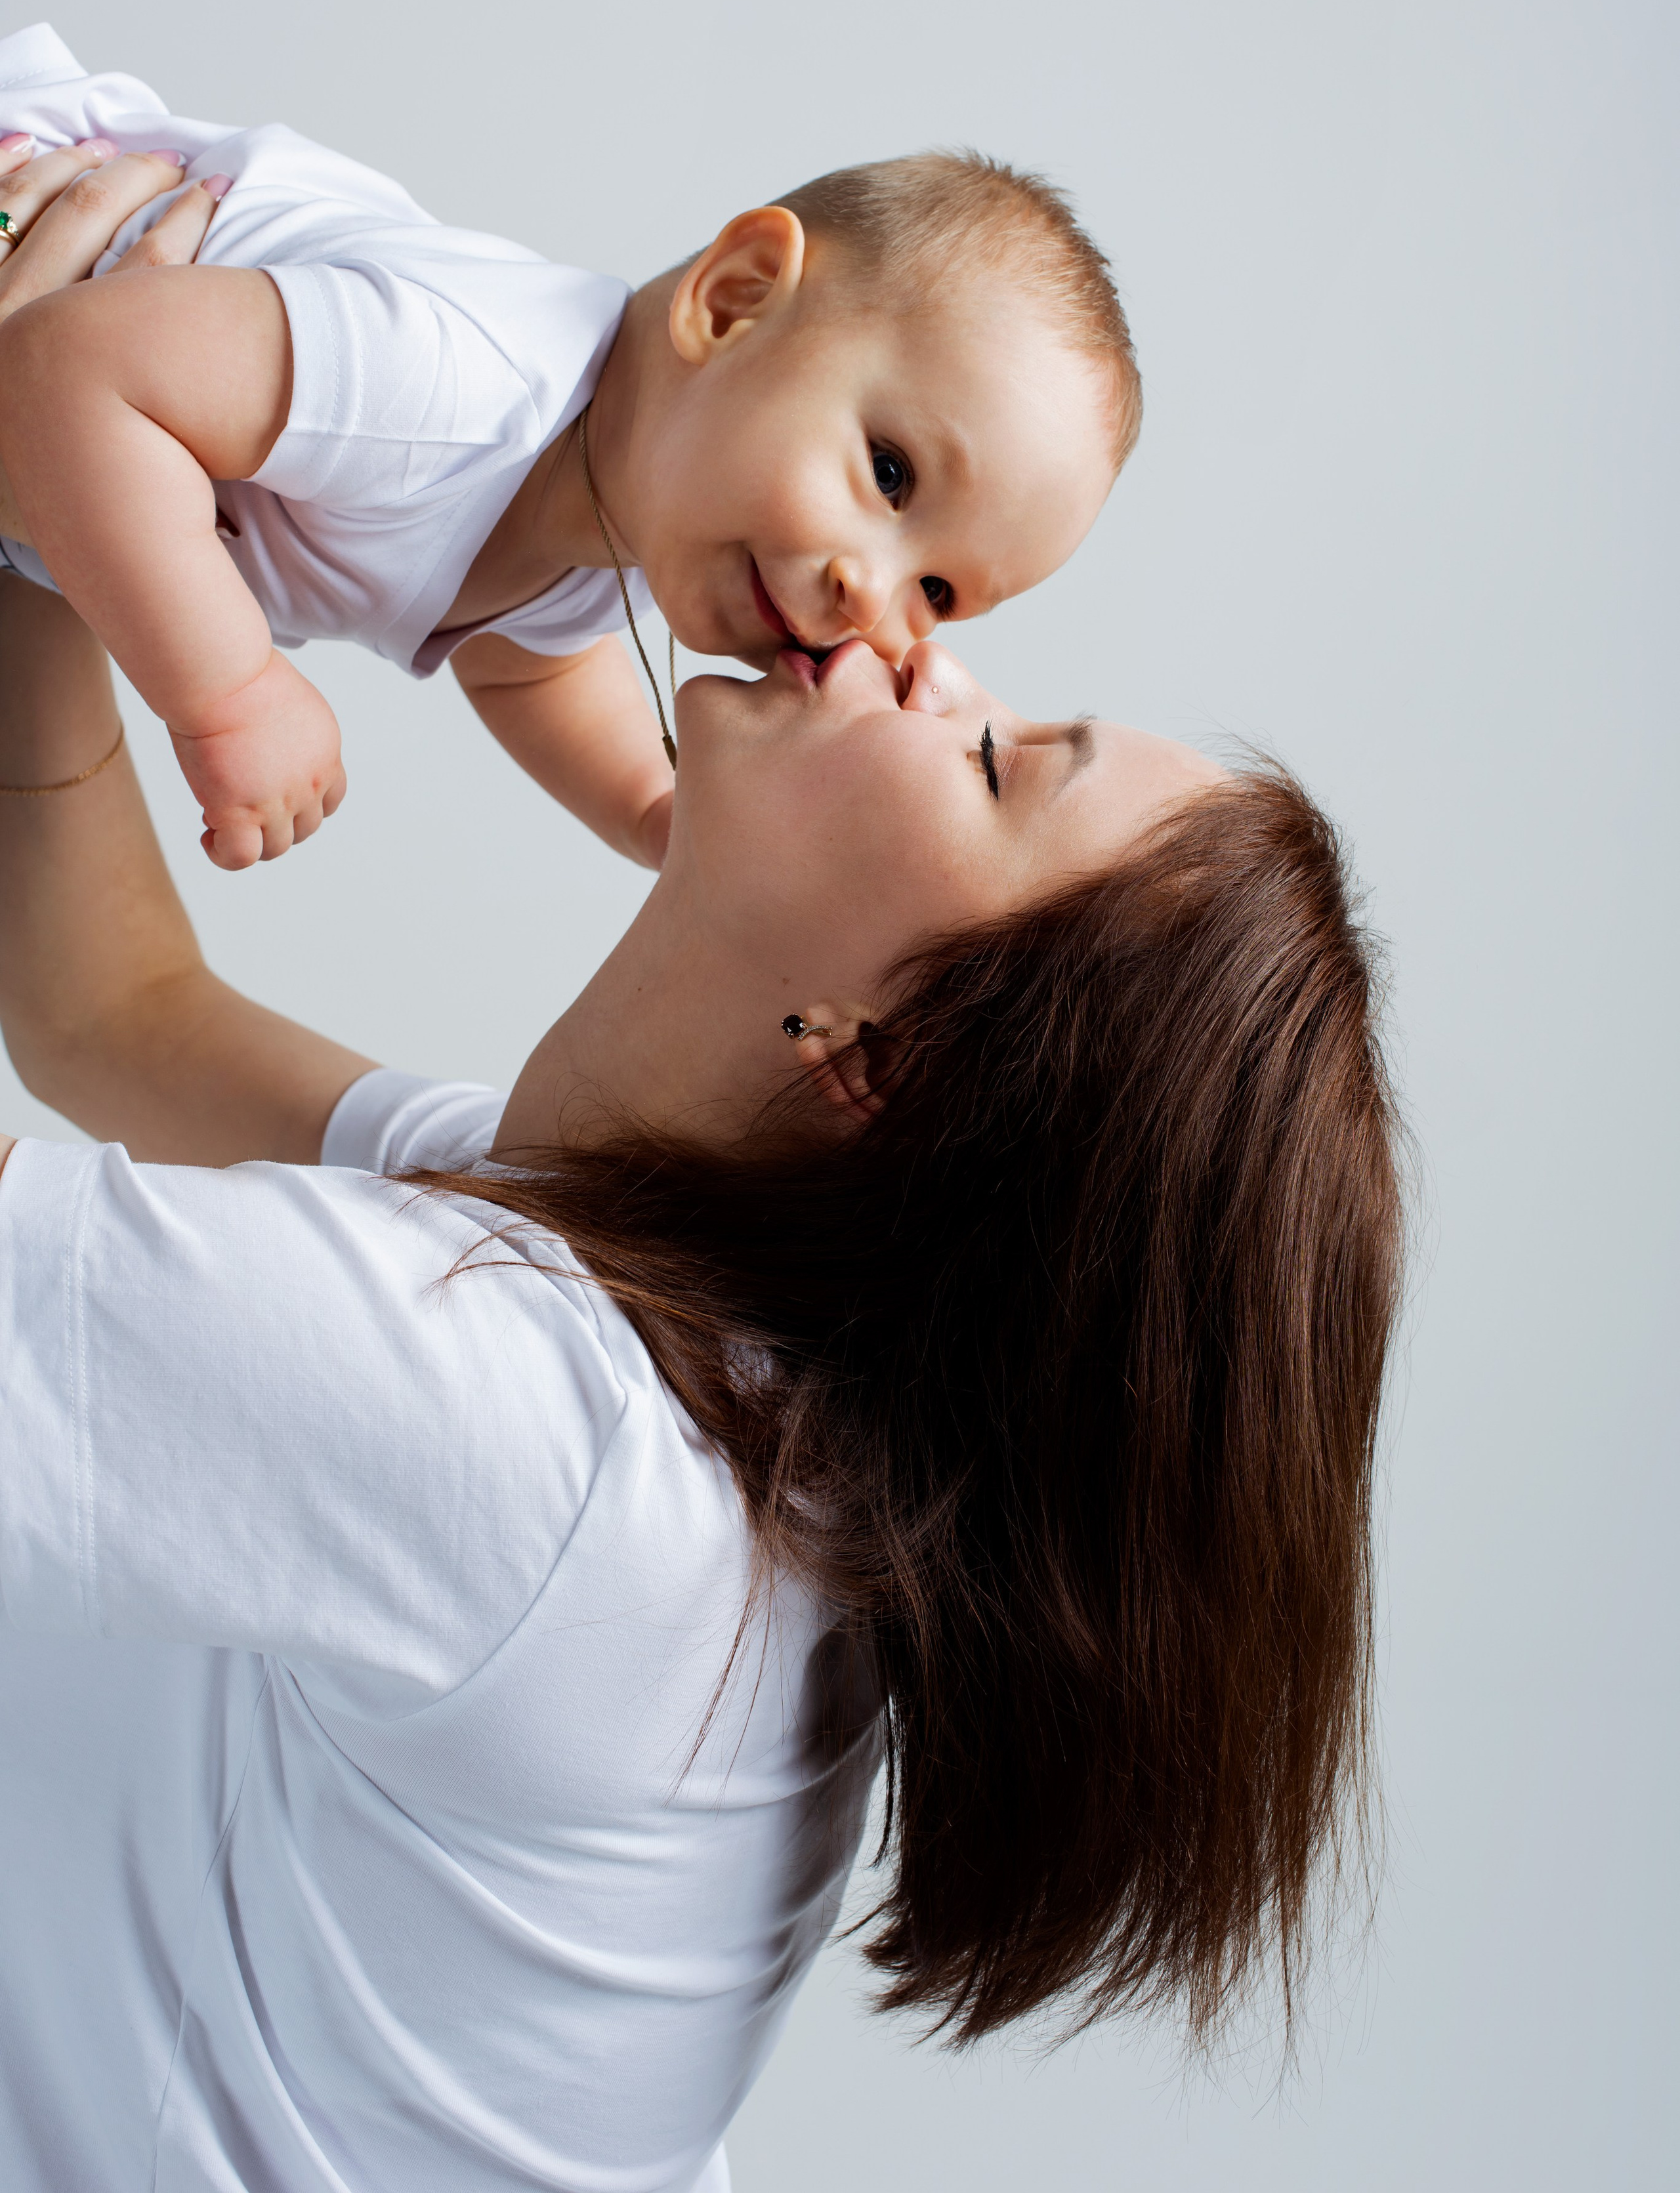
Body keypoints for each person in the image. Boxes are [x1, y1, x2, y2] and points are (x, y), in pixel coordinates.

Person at [0, 171, 1404, 2191]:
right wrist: (48, 503)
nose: (918, 652)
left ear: (883, 1064)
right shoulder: (643, 1323)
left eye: (996, 758)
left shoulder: (536, 1439)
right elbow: (114, 1012)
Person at [0, 24, 1137, 868]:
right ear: (736, 300)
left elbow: (529, 663)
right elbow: (66, 371)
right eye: (890, 474)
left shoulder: (612, 539)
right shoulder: (454, 384)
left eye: (936, 592)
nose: (867, 591)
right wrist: (233, 692)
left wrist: (664, 819)